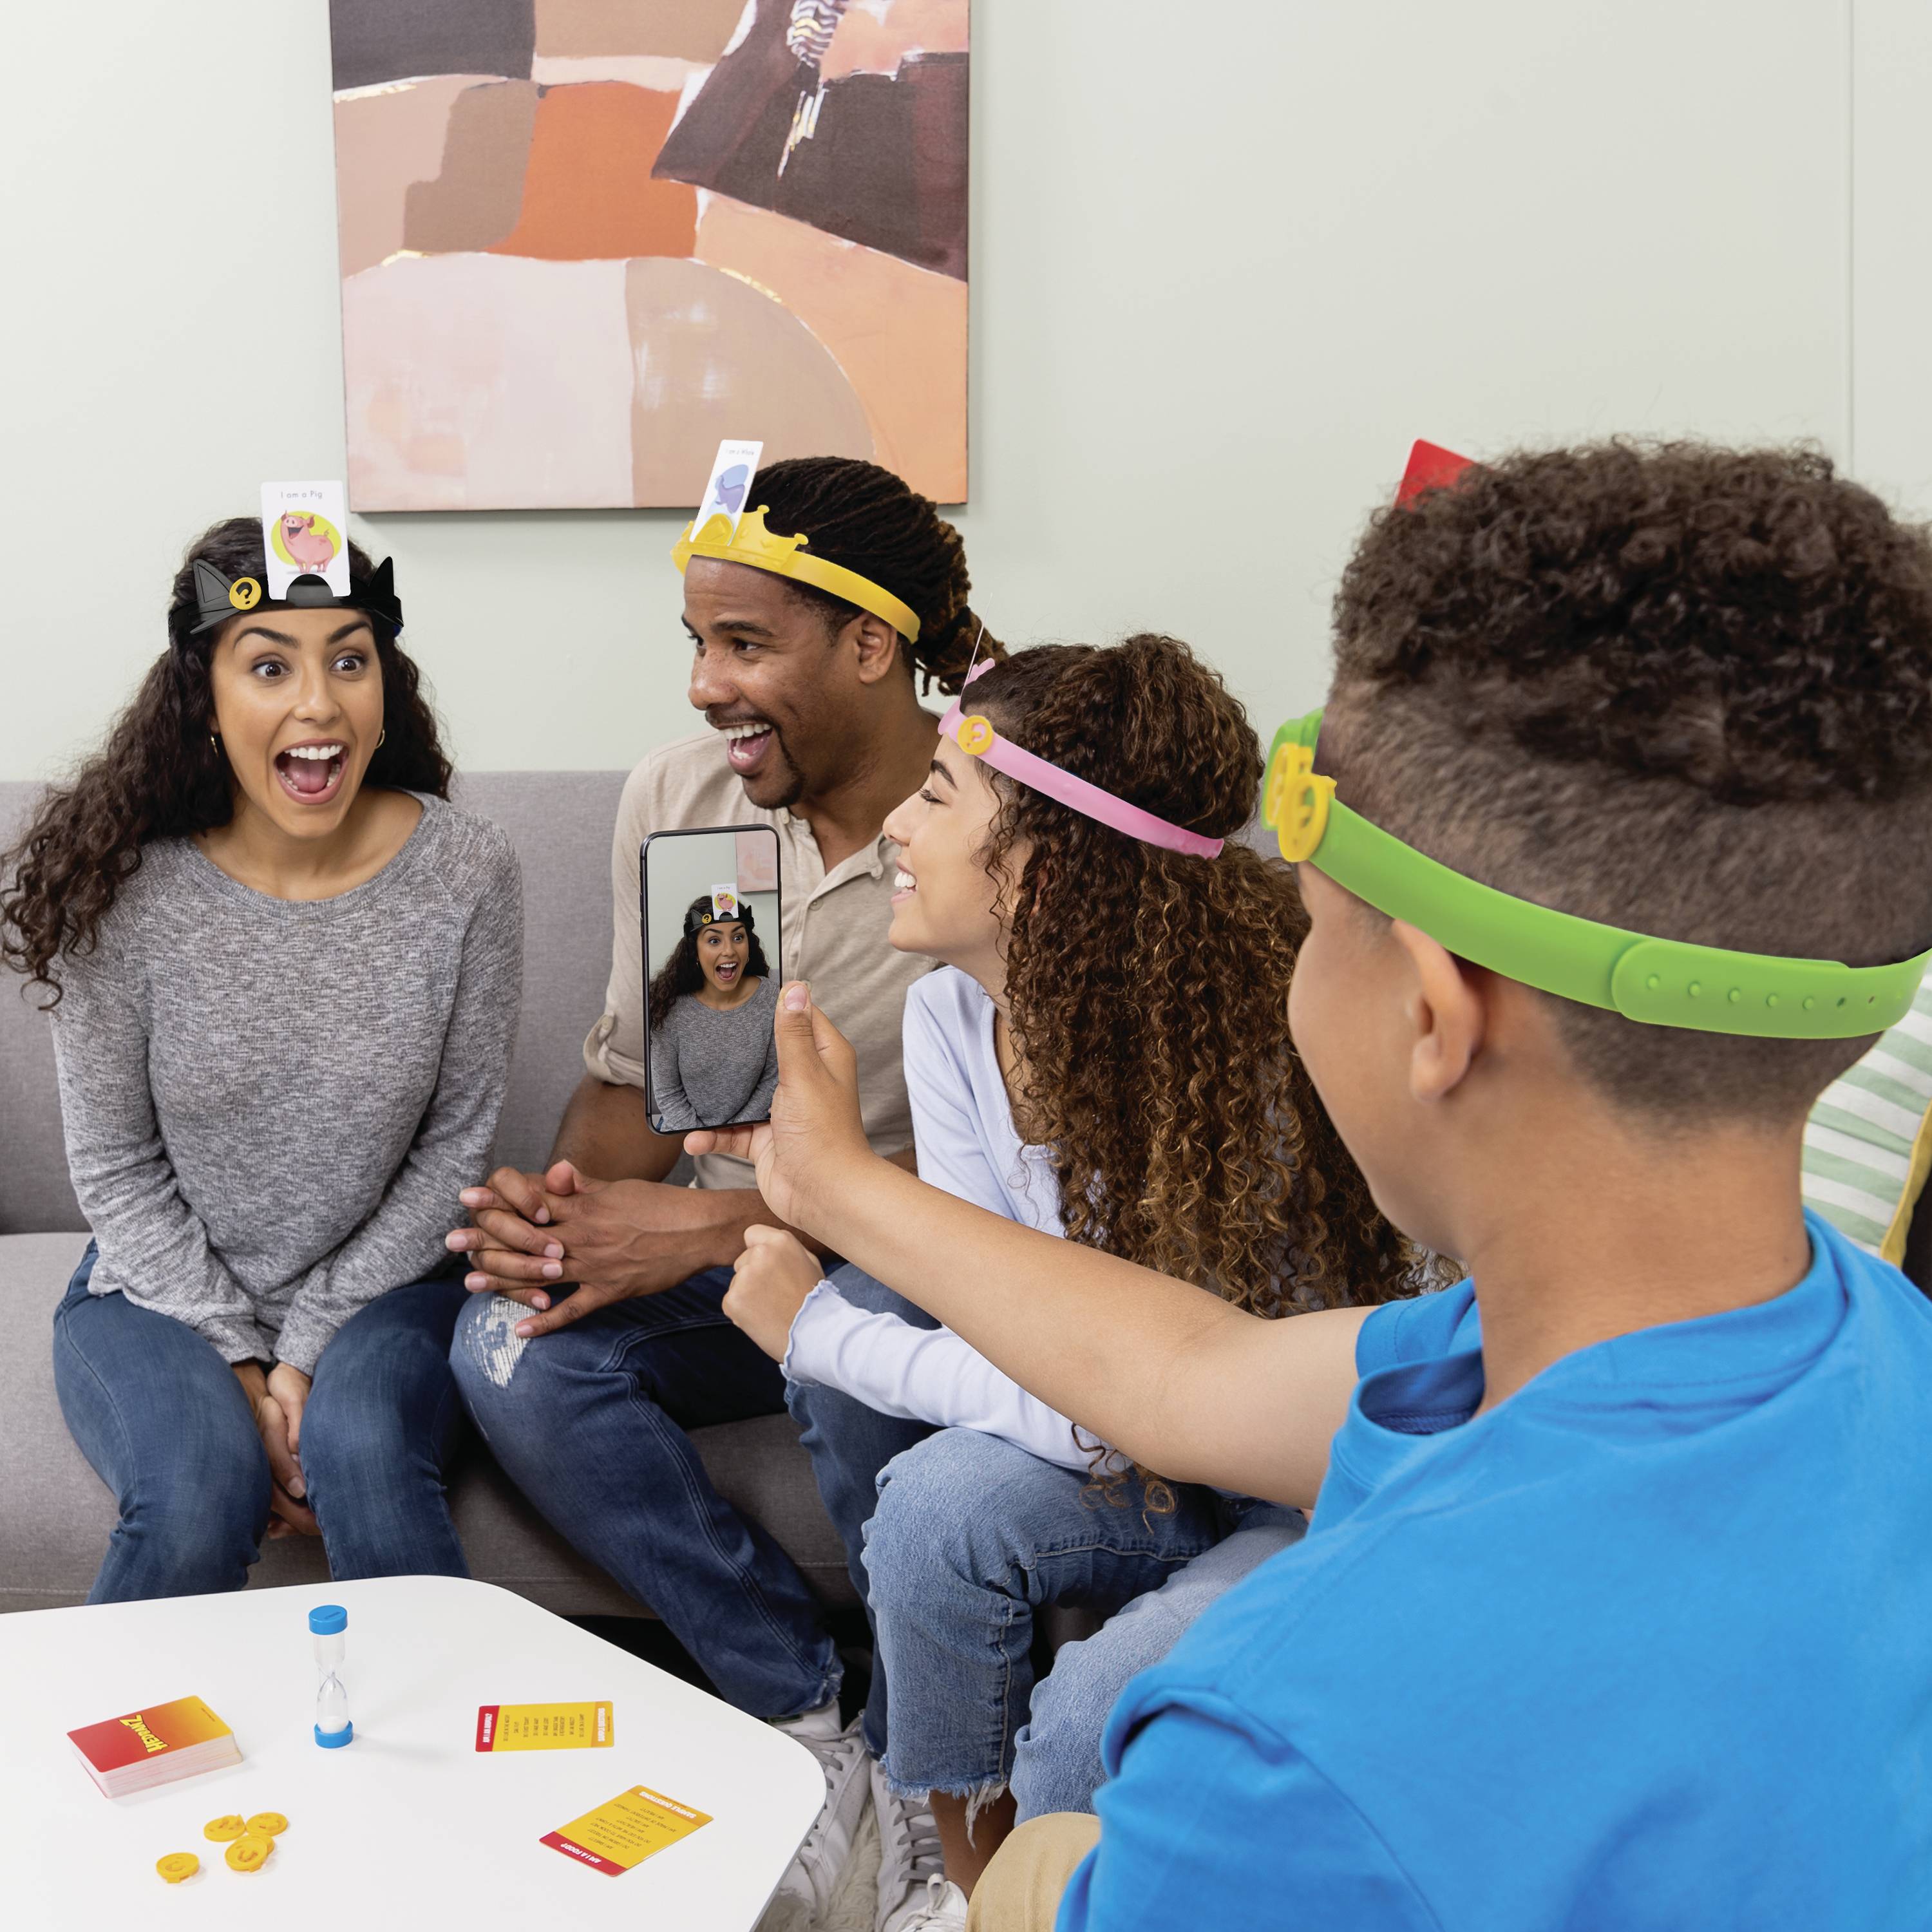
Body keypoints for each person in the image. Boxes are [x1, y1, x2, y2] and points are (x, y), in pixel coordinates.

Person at [691, 443, 1932, 1930]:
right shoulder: (1835, 1348)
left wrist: (1032, 1878)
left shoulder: (1272, 1759)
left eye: (1310, 912)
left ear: (1430, 1010)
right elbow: (1183, 1368)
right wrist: (832, 1181)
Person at [720, 634, 1431, 1930]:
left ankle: (1064, 1894)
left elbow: (1099, 1401)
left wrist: (817, 1330)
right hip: (1146, 1451)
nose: (899, 823)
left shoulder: (1247, 1051)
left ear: (1045, 862)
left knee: (1097, 1709)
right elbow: (1011, 1340)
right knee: (935, 1510)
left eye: (940, 795)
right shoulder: (950, 1017)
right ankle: (962, 1885)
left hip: (1304, 1492)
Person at [443, 456, 997, 1929]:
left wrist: (717, 1224)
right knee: (500, 1341)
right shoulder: (684, 799)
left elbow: (1012, 1190)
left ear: (869, 647)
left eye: (743, 645)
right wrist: (557, 1216)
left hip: (912, 1264)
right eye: (694, 642)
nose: (702, 685)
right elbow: (651, 1078)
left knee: (831, 1317)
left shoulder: (981, 825)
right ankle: (809, 1718)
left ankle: (935, 1752)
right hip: (729, 1246)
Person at [0, 518, 521, 1601]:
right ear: (205, 696)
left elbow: (456, 1143)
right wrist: (239, 1362)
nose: (318, 703)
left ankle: (433, 1772)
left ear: (386, 683)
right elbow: (117, 1169)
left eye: (349, 659)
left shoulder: (467, 870)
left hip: (392, 1295)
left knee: (365, 1453)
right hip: (154, 1298)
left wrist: (308, 1351)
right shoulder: (119, 889)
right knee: (197, 1487)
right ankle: (117, 1769)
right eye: (271, 665)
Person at [647, 895, 780, 1132]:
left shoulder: (772, 996)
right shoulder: (667, 1006)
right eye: (714, 941)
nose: (729, 950)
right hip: (685, 1131)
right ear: (694, 951)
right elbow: (668, 1093)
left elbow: (773, 1079)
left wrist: (734, 1132)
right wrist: (703, 1137)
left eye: (738, 937)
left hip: (750, 1132)